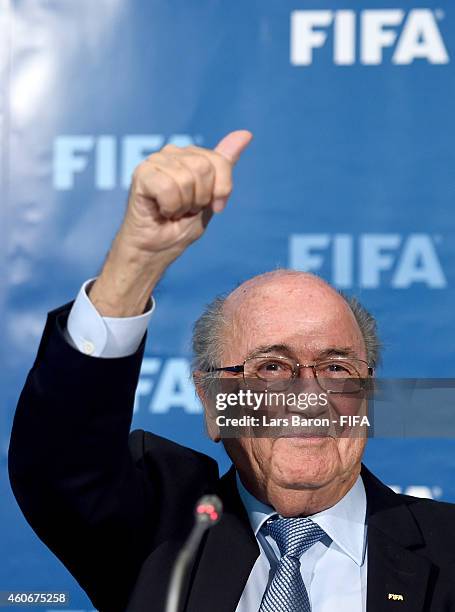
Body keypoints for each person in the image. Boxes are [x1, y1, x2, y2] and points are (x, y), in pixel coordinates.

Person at [8, 132, 455, 612]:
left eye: (335, 366)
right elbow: (63, 463)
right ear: (214, 402)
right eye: (270, 367)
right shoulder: (159, 535)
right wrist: (136, 262)